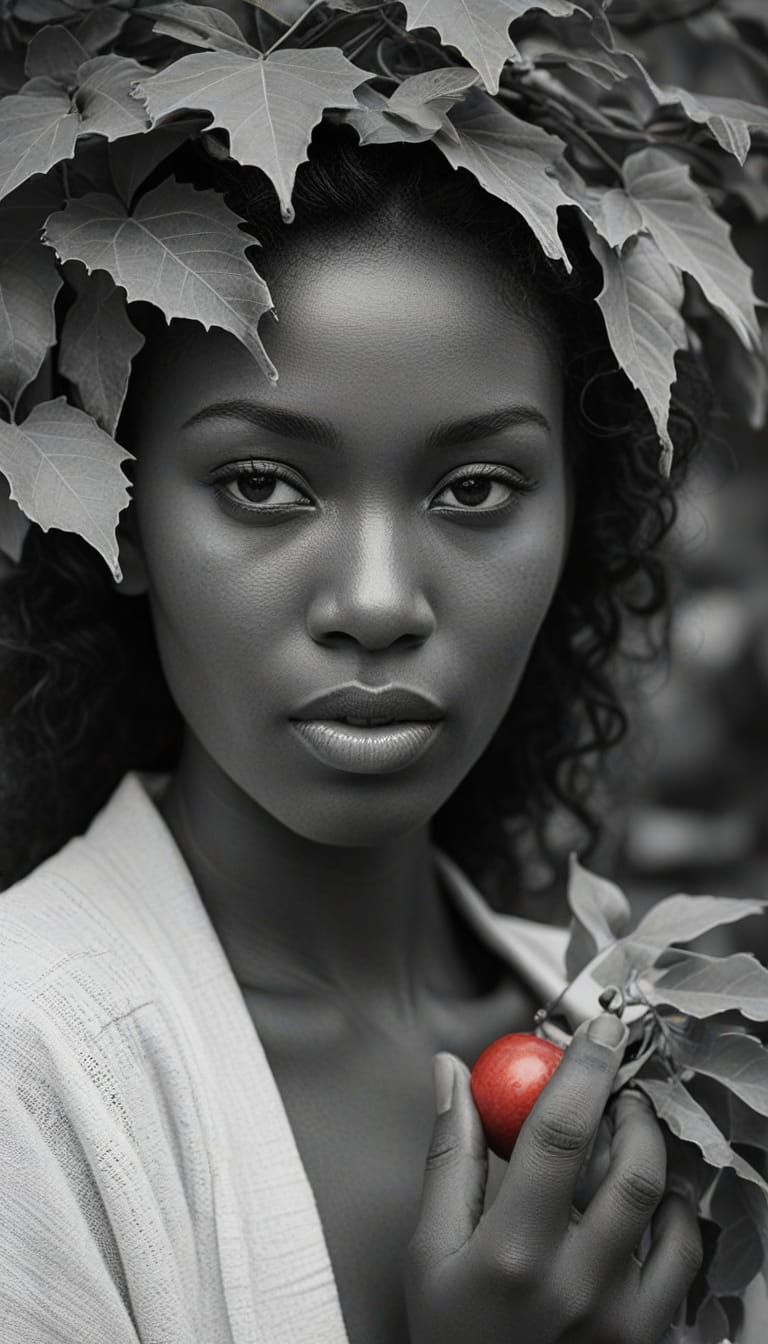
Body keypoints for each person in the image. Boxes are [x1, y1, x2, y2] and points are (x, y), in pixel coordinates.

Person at [0, 123, 711, 1343]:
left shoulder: (643, 1055)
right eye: (262, 484)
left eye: (474, 489)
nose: (379, 601)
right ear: (112, 518)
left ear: (582, 520)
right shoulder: (31, 1070)